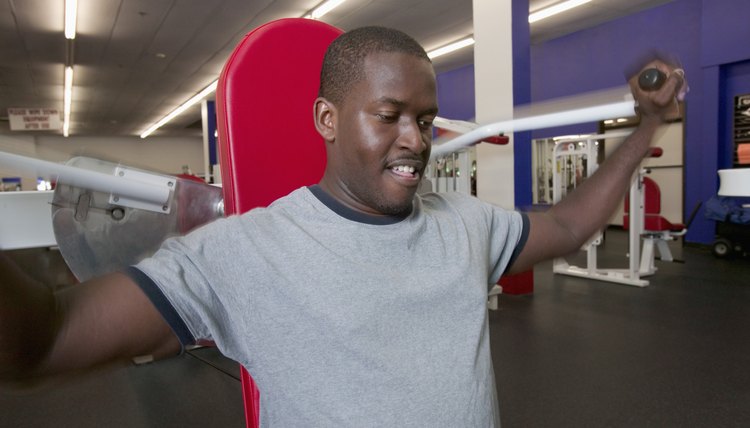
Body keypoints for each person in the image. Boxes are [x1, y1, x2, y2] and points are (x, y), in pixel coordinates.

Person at [0, 26, 686, 426]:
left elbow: (567, 224)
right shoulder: (245, 251)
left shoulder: (466, 225)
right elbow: (43, 341)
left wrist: (649, 123)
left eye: (423, 118)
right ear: (328, 121)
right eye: (388, 116)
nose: (415, 140)